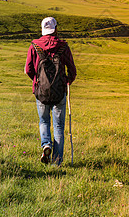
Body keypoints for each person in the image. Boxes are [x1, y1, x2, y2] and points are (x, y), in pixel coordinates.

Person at [25, 17, 76, 166]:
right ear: (56, 29)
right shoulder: (63, 46)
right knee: (59, 126)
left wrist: (36, 81)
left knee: (44, 121)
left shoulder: (34, 46)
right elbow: (72, 70)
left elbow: (28, 69)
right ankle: (57, 161)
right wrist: (67, 82)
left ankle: (46, 144)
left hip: (41, 91)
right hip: (59, 91)